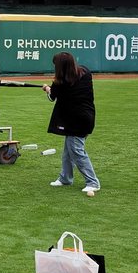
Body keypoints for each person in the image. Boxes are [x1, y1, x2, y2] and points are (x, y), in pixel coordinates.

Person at [42, 51, 100, 193]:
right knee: (69, 151)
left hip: (76, 121)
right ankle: (65, 178)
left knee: (76, 150)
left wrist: (48, 89)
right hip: (87, 117)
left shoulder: (61, 82)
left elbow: (52, 97)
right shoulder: (85, 72)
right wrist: (53, 87)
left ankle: (93, 182)